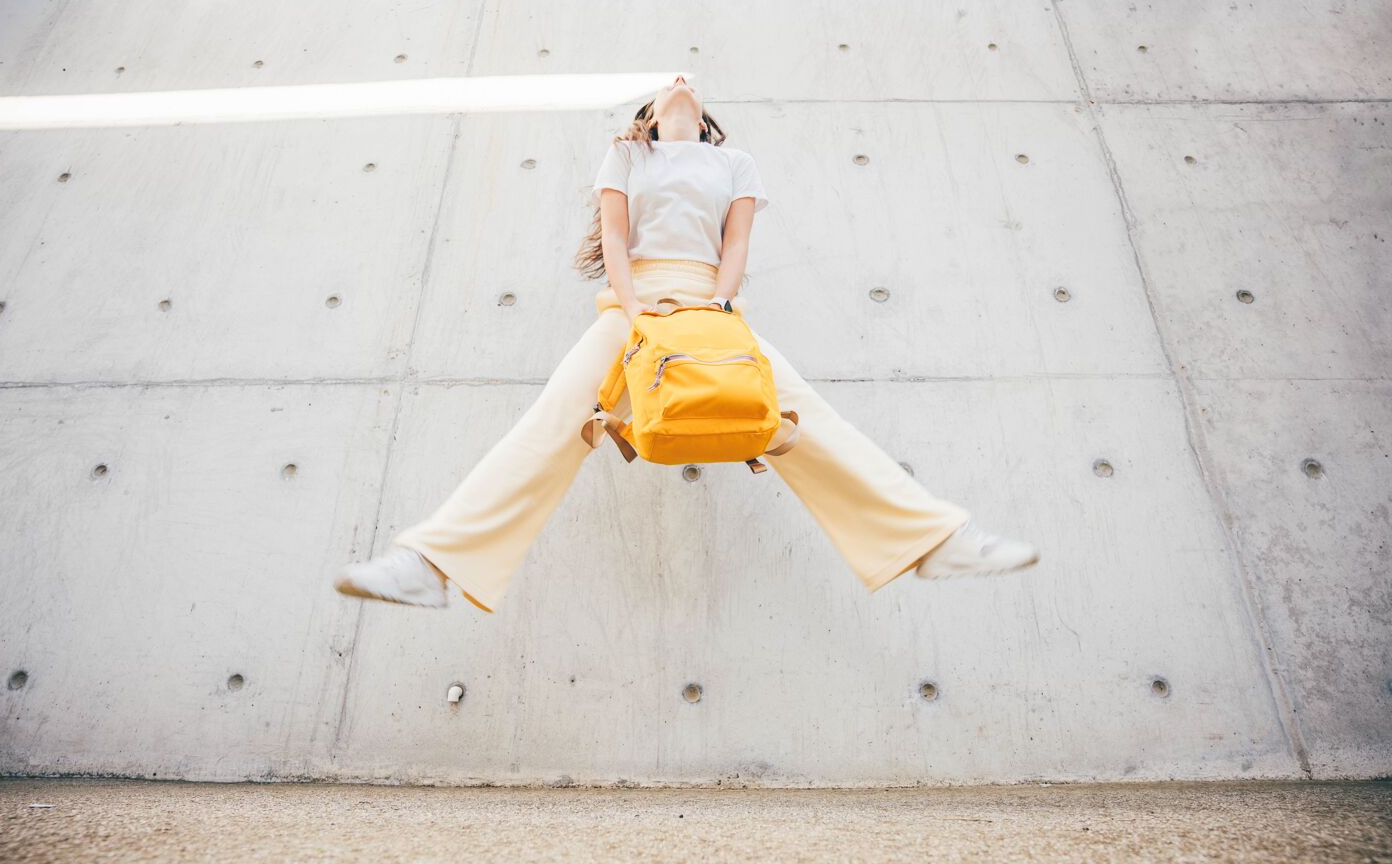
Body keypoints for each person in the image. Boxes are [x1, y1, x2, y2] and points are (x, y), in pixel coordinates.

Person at [333, 74, 1039, 611]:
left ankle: (938, 541)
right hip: (632, 308)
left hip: (711, 307)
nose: (681, 81)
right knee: (552, 420)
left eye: (690, 86)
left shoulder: (734, 163)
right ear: (648, 116)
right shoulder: (625, 156)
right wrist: (636, 309)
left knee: (806, 419)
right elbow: (613, 237)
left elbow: (737, 244)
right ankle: (431, 565)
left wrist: (722, 304)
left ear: (704, 120)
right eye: (666, 86)